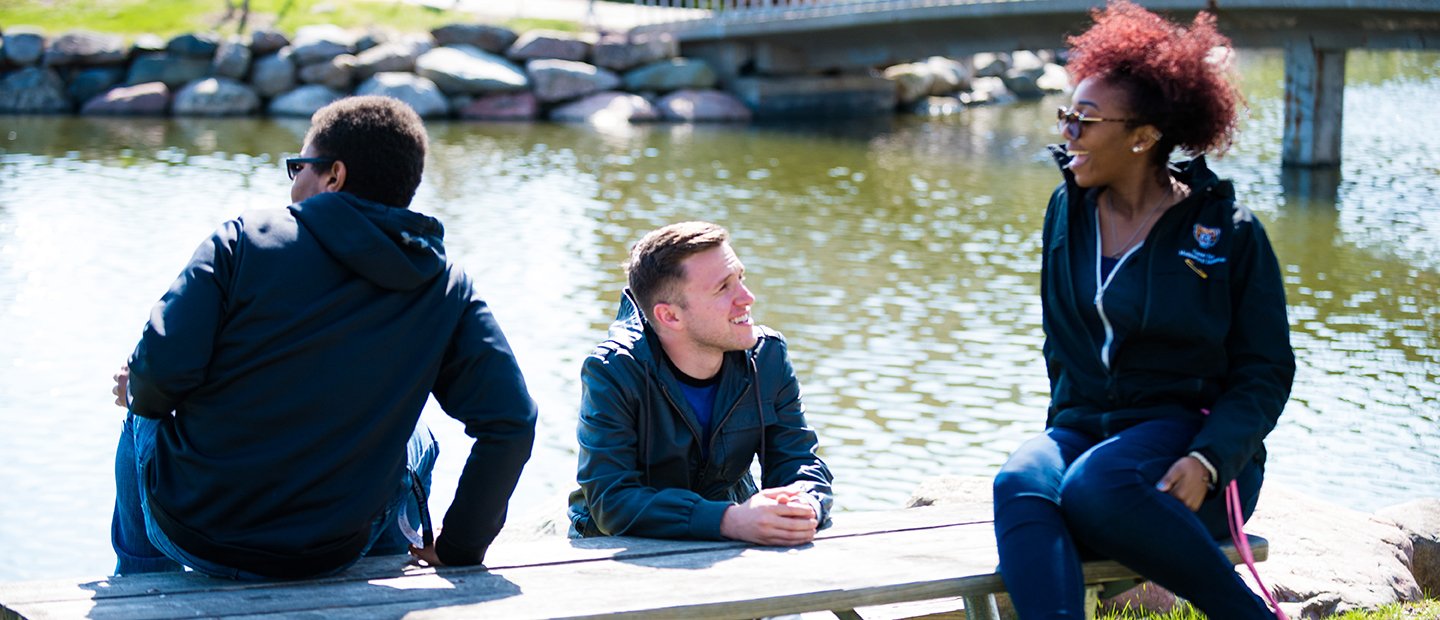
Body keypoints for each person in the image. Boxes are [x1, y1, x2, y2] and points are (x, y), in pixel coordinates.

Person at [111, 96, 537, 580]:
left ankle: (137, 584)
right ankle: (382, 572)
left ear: (333, 175)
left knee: (137, 404)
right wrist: (462, 545)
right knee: (417, 438)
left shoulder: (242, 241)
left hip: (195, 532)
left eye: (299, 166)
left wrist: (141, 390)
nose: (293, 181)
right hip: (334, 549)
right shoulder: (444, 285)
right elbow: (511, 422)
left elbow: (157, 376)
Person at [991, 2, 1295, 617]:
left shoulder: (1226, 231)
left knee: (1097, 486)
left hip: (1190, 449)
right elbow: (1060, 342)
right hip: (1086, 431)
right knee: (1020, 482)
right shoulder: (1066, 211)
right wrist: (1066, 423)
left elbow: (1265, 370)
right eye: (1066, 115)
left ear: (1144, 136)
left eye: (1087, 119)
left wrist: (1211, 458)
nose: (1068, 133)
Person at [567, 222, 833, 546]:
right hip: (619, 548)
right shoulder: (613, 370)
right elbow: (612, 502)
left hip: (732, 533)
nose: (747, 297)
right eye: (723, 288)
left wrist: (805, 505)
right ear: (670, 317)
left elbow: (798, 461)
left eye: (741, 278)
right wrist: (728, 519)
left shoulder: (767, 357)